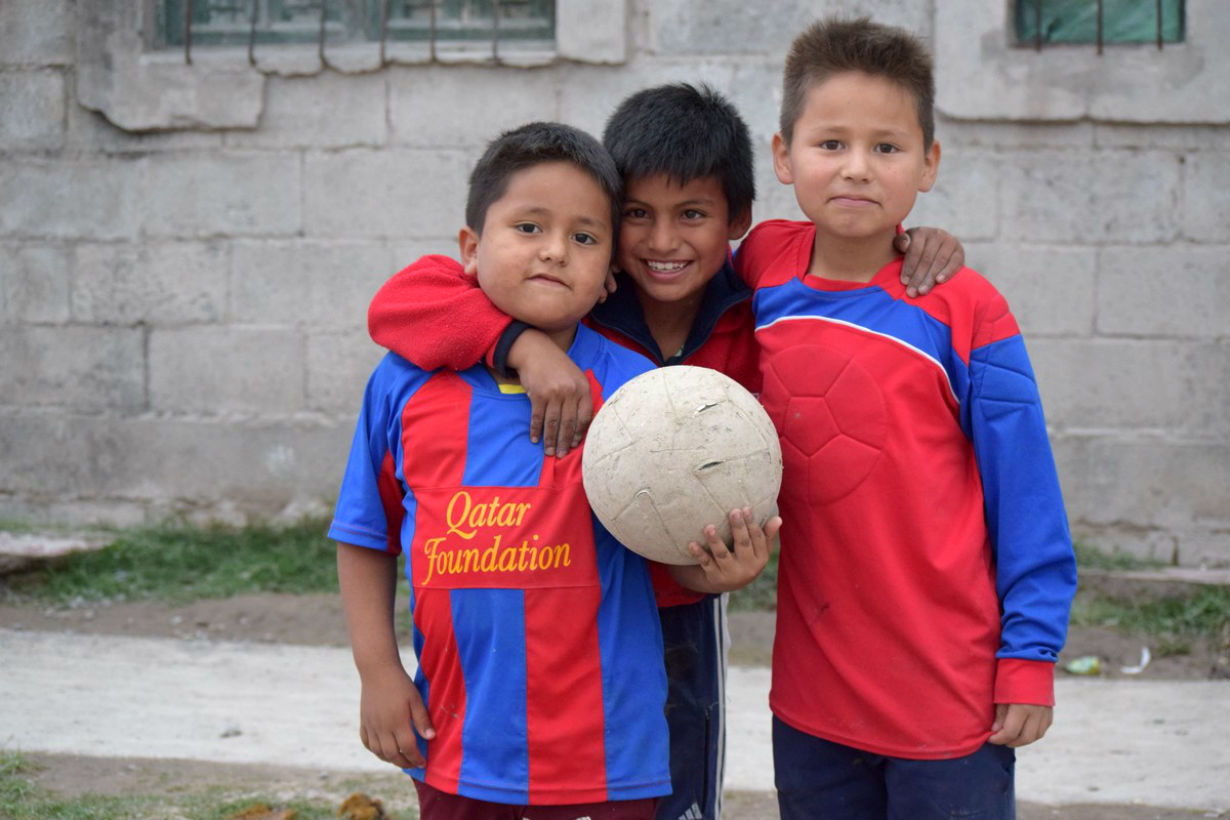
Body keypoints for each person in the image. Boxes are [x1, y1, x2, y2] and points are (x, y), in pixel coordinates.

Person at [365, 84, 966, 820]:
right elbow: (406, 298)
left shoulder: (757, 287)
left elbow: (844, 248)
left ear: (733, 224)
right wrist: (520, 346)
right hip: (569, 612)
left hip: (681, 597)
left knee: (677, 783)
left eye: (692, 217)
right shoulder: (583, 298)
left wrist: (917, 236)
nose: (661, 242)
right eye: (637, 217)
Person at [329, 121, 776, 820]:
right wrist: (378, 671)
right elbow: (364, 533)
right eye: (529, 227)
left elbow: (655, 555)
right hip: (457, 743)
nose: (555, 251)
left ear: (608, 282)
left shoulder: (638, 396)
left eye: (585, 238)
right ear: (470, 251)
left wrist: (716, 570)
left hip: (609, 755)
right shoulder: (406, 382)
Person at [733, 17, 1078, 820]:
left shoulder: (965, 310)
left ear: (928, 164)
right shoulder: (760, 270)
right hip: (814, 699)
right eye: (831, 144)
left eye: (887, 148)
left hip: (948, 700)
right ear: (783, 156)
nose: (857, 168)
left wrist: (1029, 653)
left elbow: (1025, 490)